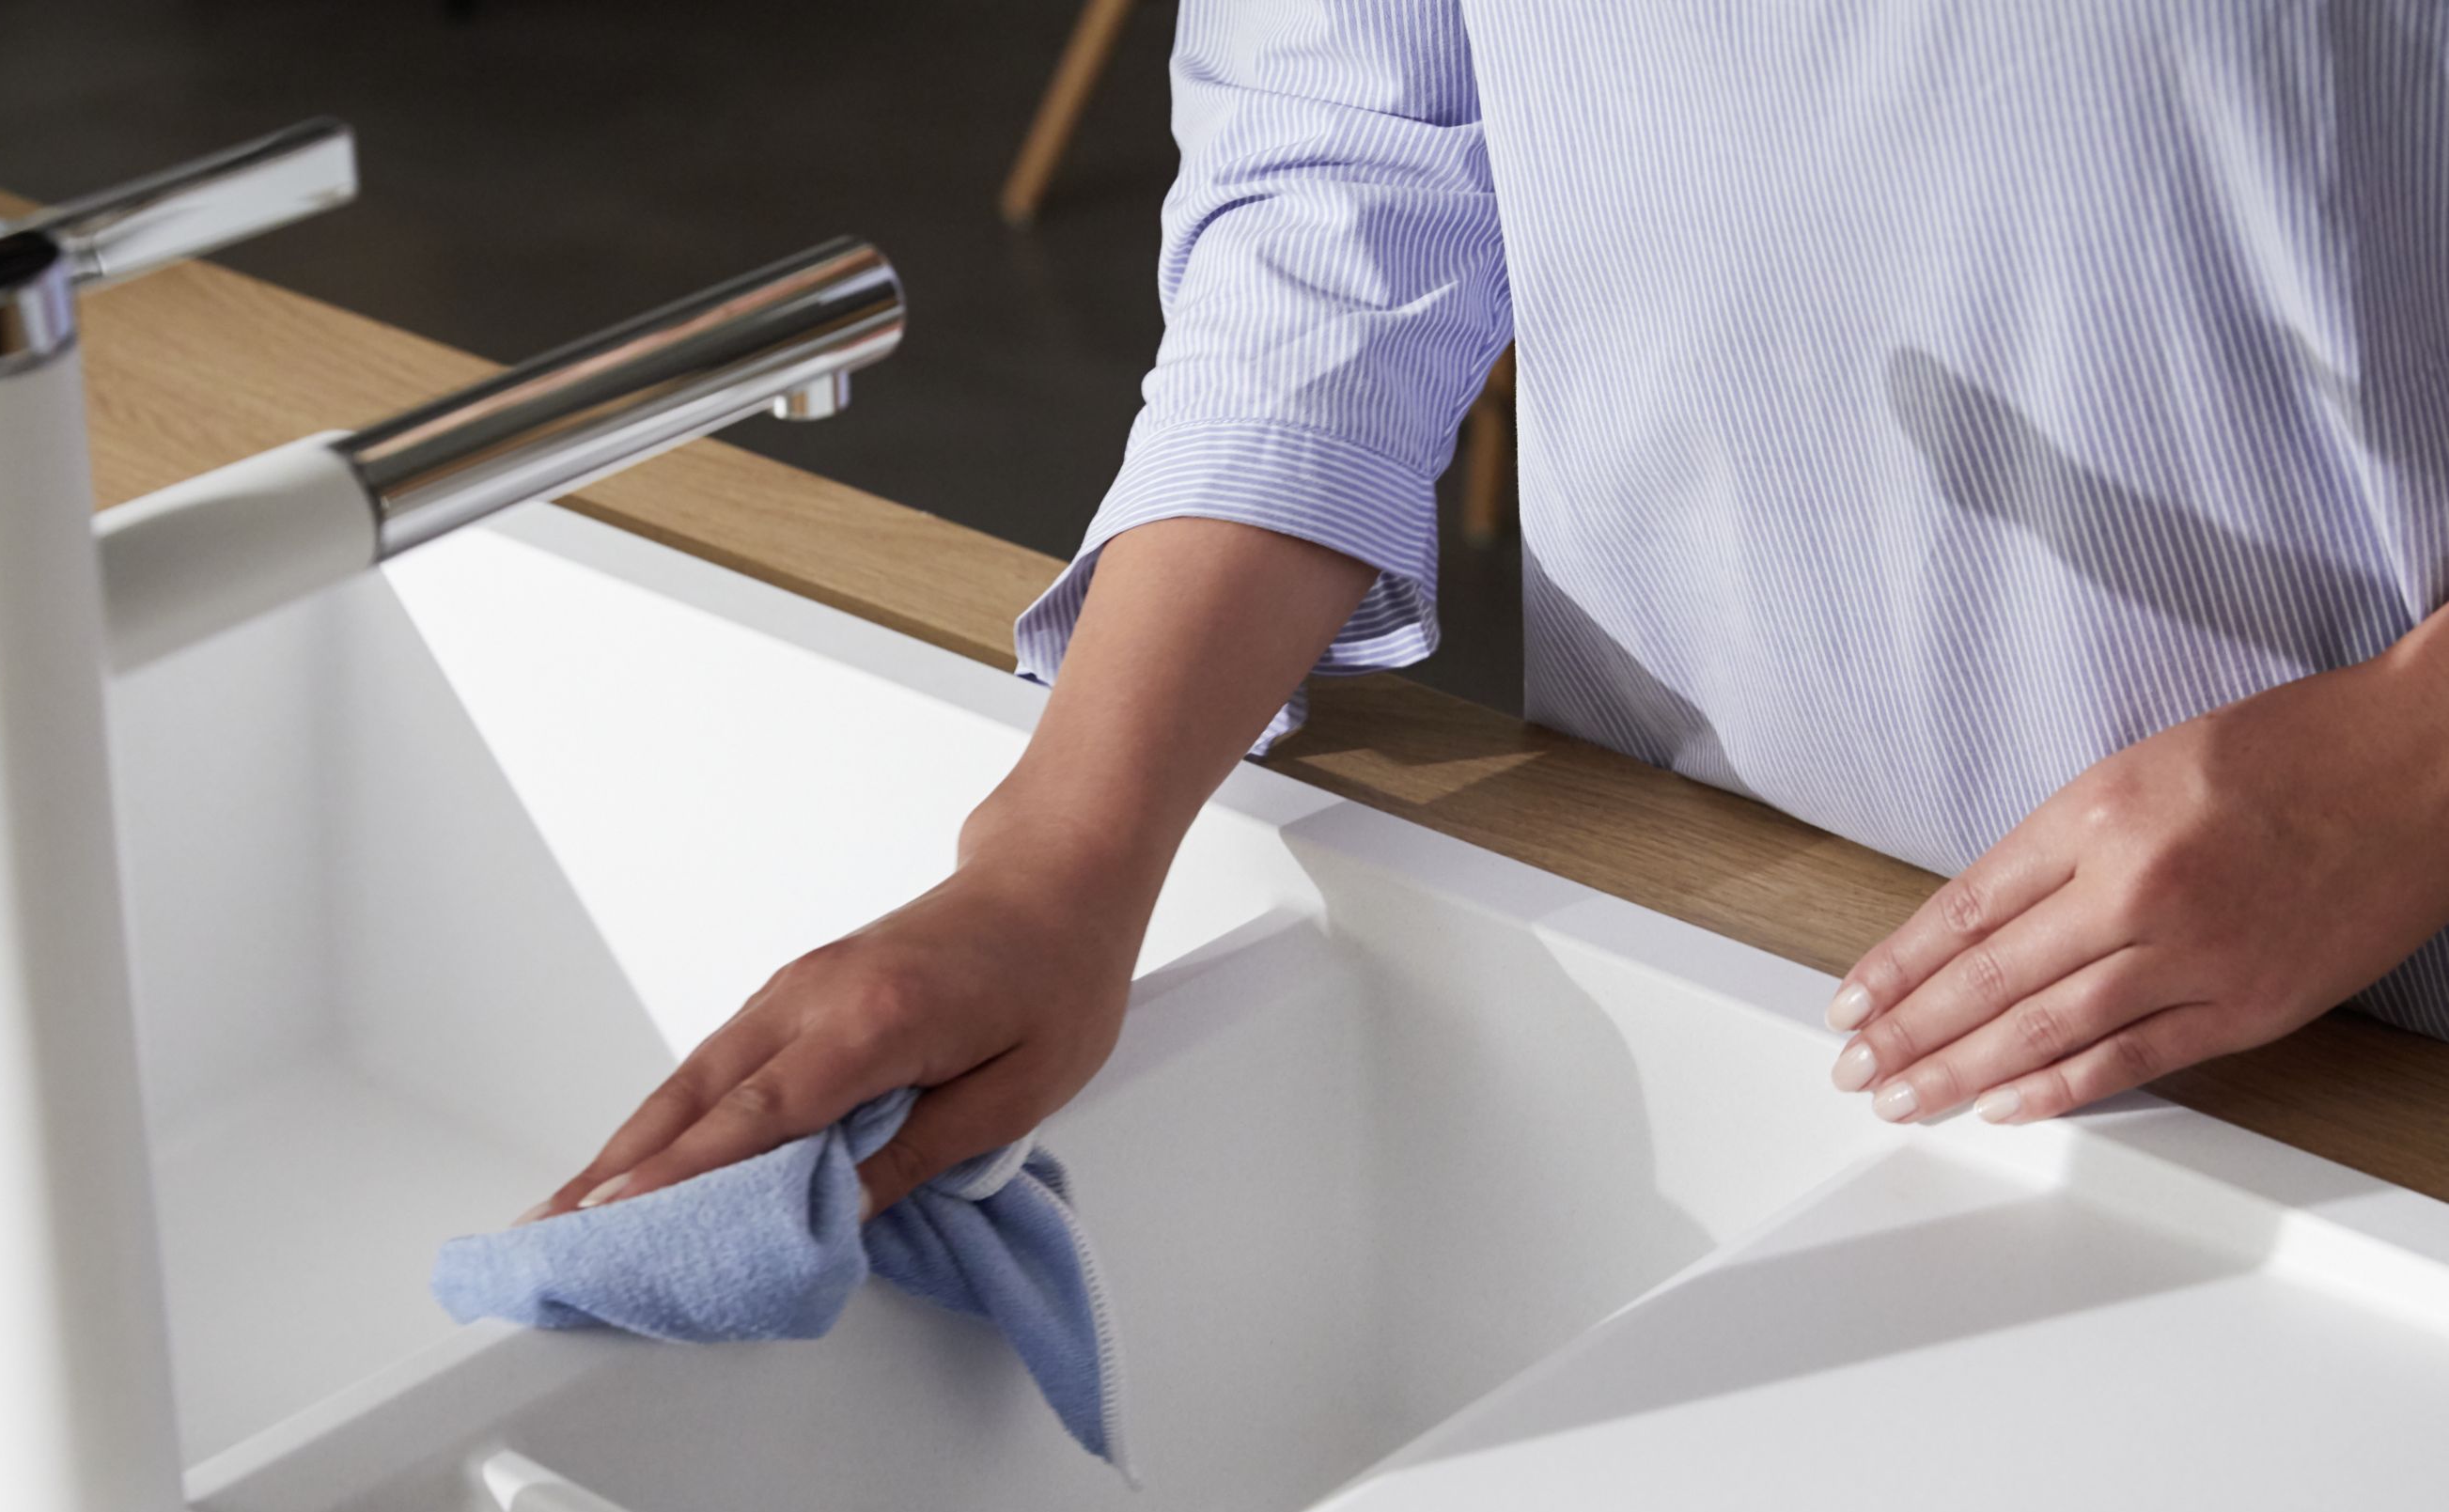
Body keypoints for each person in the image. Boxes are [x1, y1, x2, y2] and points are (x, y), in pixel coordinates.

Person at [529, 1, 2449, 1225]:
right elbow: (1347, 177)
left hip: (2389, 1064)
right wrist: (1058, 855)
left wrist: (2412, 770)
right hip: (1738, 928)